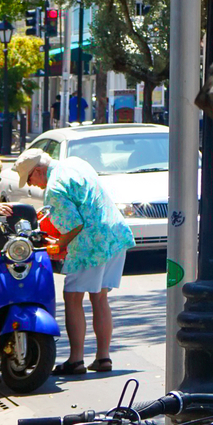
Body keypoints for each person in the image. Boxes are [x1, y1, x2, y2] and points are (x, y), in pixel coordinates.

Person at [22, 150, 132, 376]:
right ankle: (103, 357)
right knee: (100, 297)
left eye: (30, 179)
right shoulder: (75, 163)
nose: (33, 186)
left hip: (92, 242)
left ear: (39, 171)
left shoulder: (54, 187)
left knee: (72, 297)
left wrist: (58, 245)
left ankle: (76, 360)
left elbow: (74, 226)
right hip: (114, 234)